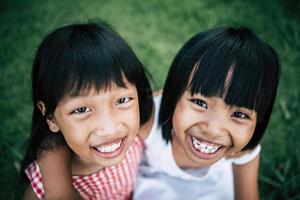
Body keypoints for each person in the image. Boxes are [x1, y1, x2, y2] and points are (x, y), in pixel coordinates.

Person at [133, 27, 280, 200]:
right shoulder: (147, 123)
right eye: (200, 103)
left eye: (240, 115)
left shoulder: (242, 150)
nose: (213, 130)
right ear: (173, 94)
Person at [20, 21, 154, 199]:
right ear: (51, 117)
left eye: (122, 100)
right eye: (81, 109)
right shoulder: (49, 188)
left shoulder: (141, 132)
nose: (109, 129)